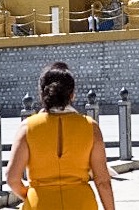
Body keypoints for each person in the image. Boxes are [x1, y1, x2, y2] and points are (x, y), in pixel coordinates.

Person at [6, 62, 115, 210]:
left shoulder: (27, 128)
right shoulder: (90, 127)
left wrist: (32, 196)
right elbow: (103, 181)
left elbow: (12, 178)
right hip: (81, 203)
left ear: (42, 93)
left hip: (40, 203)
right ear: (72, 95)